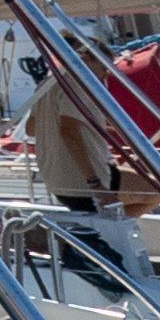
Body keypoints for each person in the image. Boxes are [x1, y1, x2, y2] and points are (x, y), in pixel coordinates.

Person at [26, 53, 122, 212]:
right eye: (104, 66)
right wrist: (94, 183)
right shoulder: (79, 86)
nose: (106, 73)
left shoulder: (47, 84)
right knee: (158, 189)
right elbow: (69, 131)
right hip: (87, 183)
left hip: (58, 182)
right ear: (84, 59)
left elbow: (30, 129)